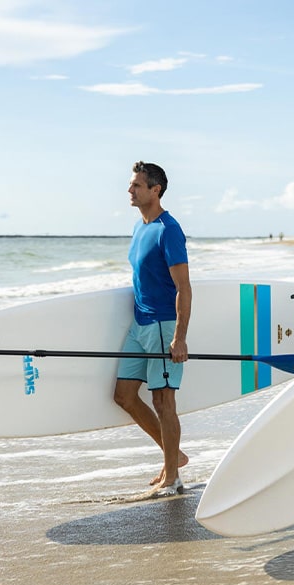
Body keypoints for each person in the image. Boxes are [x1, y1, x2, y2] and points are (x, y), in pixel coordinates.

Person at [114, 161, 192, 496]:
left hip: (162, 326)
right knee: (124, 396)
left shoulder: (167, 229)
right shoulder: (139, 227)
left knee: (163, 401)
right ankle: (175, 456)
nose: (130, 191)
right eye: (131, 185)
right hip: (140, 324)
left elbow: (184, 288)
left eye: (136, 186)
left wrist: (179, 338)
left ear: (154, 190)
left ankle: (172, 476)